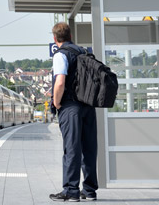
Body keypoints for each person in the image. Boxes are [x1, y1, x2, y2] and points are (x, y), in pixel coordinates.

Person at [49, 22, 98, 202]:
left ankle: (71, 191)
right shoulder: (84, 52)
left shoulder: (61, 54)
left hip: (71, 107)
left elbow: (60, 82)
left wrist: (56, 102)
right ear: (70, 36)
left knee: (71, 148)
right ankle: (90, 191)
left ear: (55, 39)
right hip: (88, 106)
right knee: (89, 148)